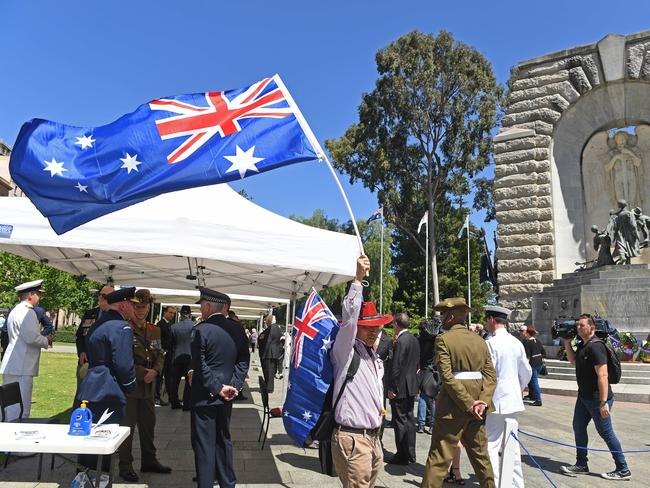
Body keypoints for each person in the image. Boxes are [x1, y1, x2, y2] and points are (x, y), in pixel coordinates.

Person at [421, 297, 497, 488]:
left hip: (452, 408)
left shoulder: (443, 339)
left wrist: (468, 403)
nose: (441, 318)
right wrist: (482, 401)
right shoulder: (480, 341)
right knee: (481, 458)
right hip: (478, 409)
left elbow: (446, 376)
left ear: (451, 316)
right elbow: (490, 375)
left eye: (443, 314)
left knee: (439, 458)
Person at [330, 255, 390, 488]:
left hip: (372, 437)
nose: (373, 332)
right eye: (367, 327)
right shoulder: (345, 350)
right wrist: (357, 280)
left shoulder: (371, 354)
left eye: (376, 327)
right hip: (353, 438)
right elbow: (349, 319)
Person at [189, 287, 250, 488]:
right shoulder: (237, 329)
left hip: (204, 396)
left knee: (204, 445)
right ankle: (227, 483)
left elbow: (200, 364)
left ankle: (205, 484)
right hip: (227, 396)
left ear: (207, 306)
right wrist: (234, 386)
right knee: (223, 439)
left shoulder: (200, 330)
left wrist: (217, 388)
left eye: (202, 306)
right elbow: (243, 361)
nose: (201, 310)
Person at [560, 314, 631, 480]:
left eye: (581, 325)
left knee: (606, 432)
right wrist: (566, 342)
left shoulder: (596, 346)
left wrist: (603, 402)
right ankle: (581, 464)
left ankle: (623, 468)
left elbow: (603, 375)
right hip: (584, 397)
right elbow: (574, 362)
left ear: (592, 328)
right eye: (577, 325)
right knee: (578, 427)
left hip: (597, 398)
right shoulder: (584, 345)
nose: (578, 328)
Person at [76, 287, 138, 471]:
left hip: (91, 385)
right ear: (123, 305)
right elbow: (123, 364)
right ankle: (97, 479)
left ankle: (84, 476)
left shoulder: (98, 324)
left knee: (88, 441)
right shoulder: (121, 327)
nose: (133, 309)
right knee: (103, 442)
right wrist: (130, 385)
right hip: (109, 389)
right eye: (131, 305)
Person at [118, 289, 171, 483]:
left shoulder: (154, 329)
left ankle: (149, 460)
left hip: (148, 388)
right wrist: (143, 373)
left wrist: (156, 371)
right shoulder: (125, 328)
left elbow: (159, 355)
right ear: (132, 307)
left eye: (144, 307)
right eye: (137, 307)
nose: (141, 311)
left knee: (149, 426)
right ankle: (125, 465)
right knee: (127, 428)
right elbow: (122, 359)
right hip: (132, 386)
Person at [484, 305, 531, 488]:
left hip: (495, 400)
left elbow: (487, 374)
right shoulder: (516, 342)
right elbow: (526, 372)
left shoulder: (490, 343)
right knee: (512, 446)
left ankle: (495, 484)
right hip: (512, 400)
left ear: (492, 320)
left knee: (491, 446)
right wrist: (516, 389)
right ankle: (515, 484)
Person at [0, 280, 52, 420]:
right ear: (30, 295)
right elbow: (31, 337)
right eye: (38, 294)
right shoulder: (28, 313)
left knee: (8, 406)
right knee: (21, 409)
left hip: (14, 363)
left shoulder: (15, 310)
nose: (39, 298)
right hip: (22, 365)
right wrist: (46, 340)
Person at [385, 312, 420, 465]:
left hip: (400, 386)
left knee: (400, 420)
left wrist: (392, 387)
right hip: (411, 385)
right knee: (410, 420)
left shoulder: (401, 341)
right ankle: (411, 453)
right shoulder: (413, 339)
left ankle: (402, 455)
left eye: (393, 323)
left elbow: (396, 366)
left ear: (396, 324)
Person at [417, 318, 441, 435]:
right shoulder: (437, 340)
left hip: (423, 370)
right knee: (432, 398)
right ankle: (431, 424)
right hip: (434, 371)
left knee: (422, 397)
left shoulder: (420, 339)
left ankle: (421, 424)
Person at [170, 305, 194, 410]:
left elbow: (171, 344)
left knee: (175, 382)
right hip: (190, 356)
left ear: (180, 314)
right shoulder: (195, 326)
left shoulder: (174, 327)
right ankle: (187, 404)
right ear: (190, 313)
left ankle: (174, 403)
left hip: (177, 356)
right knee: (189, 382)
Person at [155, 305, 176, 406]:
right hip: (162, 355)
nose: (172, 315)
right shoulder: (160, 324)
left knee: (168, 377)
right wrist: (162, 352)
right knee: (159, 377)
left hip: (169, 355)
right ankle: (157, 397)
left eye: (173, 313)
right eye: (170, 312)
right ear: (165, 313)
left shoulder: (169, 324)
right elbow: (158, 340)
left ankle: (171, 397)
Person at [258, 314, 283, 392]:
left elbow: (267, 341)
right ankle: (269, 386)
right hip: (274, 352)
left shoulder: (271, 328)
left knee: (268, 371)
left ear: (269, 321)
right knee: (271, 371)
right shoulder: (277, 328)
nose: (266, 322)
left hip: (268, 352)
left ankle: (269, 387)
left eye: (266, 321)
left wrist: (264, 353)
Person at [522, 325, 545, 406]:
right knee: (531, 381)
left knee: (534, 381)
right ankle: (532, 395)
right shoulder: (537, 341)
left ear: (528, 333)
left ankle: (538, 400)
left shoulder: (528, 343)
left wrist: (525, 366)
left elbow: (527, 356)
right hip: (539, 363)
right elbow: (543, 352)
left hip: (533, 364)